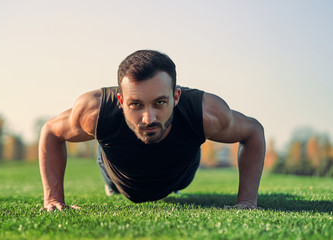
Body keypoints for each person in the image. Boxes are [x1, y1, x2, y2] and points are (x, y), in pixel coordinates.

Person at [39, 50, 266, 211]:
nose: (149, 118)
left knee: (183, 164)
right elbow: (51, 131)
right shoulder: (94, 111)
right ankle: (113, 186)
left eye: (160, 102)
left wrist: (246, 201)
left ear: (176, 97)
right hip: (117, 175)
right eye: (136, 104)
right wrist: (53, 199)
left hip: (180, 173)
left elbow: (253, 131)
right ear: (121, 99)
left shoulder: (207, 113)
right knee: (107, 150)